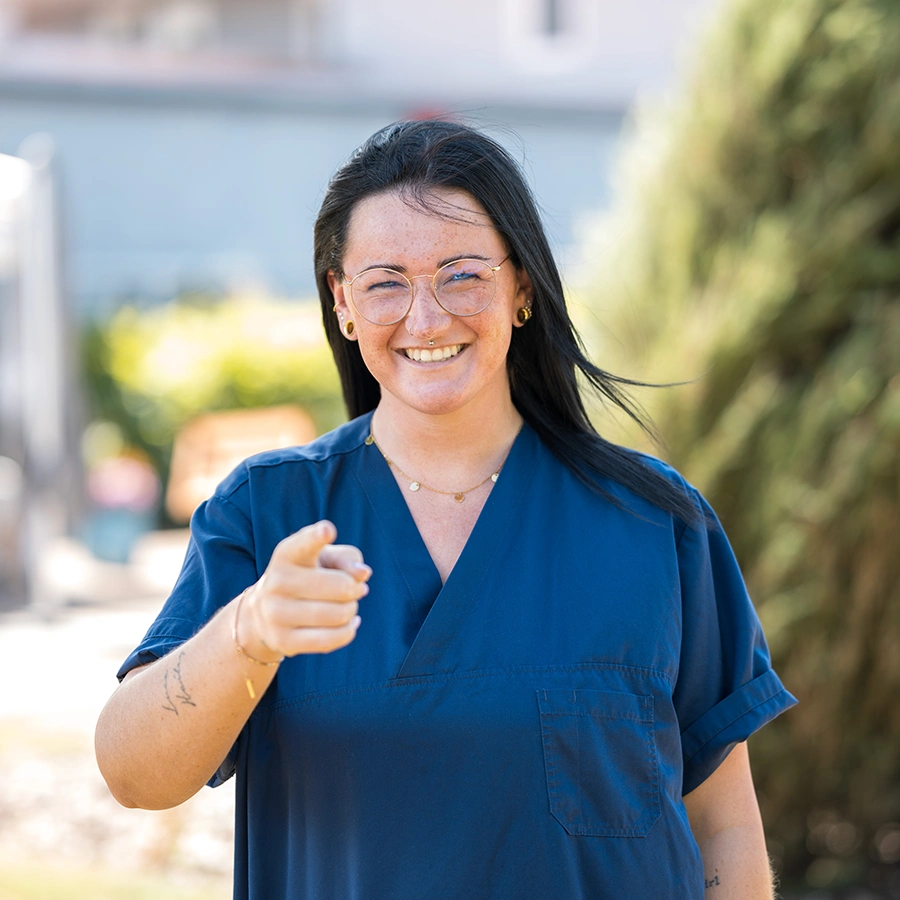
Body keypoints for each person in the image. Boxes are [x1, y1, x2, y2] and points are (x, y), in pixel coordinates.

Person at [95, 120, 797, 900]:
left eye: (462, 275)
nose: (425, 318)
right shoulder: (266, 513)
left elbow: (725, 825)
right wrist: (248, 632)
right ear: (343, 303)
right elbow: (133, 774)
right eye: (386, 281)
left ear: (522, 287)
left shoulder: (654, 523)